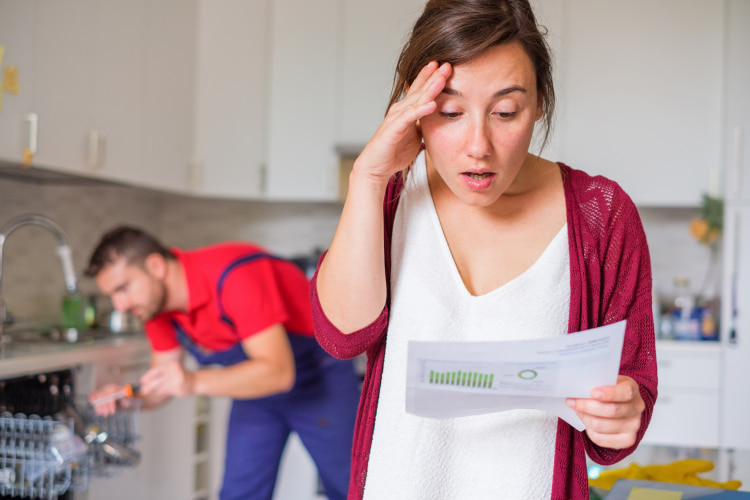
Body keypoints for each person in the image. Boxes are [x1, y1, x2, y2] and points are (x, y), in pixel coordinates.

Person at [311, 0, 657, 498]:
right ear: (417, 110)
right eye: (451, 111)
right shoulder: (390, 196)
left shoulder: (601, 215)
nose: (479, 145)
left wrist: (621, 413)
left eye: (505, 112)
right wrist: (367, 177)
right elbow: (342, 336)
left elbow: (629, 395)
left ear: (538, 103)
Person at [85, 227, 359, 500]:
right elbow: (161, 381)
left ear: (155, 266)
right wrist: (130, 398)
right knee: (239, 493)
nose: (119, 305)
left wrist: (192, 381)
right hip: (254, 389)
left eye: (123, 288)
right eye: (112, 295)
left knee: (349, 486)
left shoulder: (234, 275)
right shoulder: (154, 307)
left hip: (319, 378)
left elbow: (278, 372)